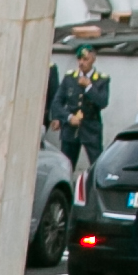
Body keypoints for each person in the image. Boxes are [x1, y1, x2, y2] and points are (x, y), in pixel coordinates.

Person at [46, 46, 109, 193]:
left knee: (96, 164)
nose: (81, 62)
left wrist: (89, 87)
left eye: (85, 59)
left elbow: (103, 102)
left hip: (90, 127)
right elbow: (57, 102)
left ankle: (95, 193)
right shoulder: (70, 78)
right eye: (79, 59)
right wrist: (67, 118)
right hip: (71, 128)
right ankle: (66, 193)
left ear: (93, 59)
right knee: (67, 164)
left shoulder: (101, 80)